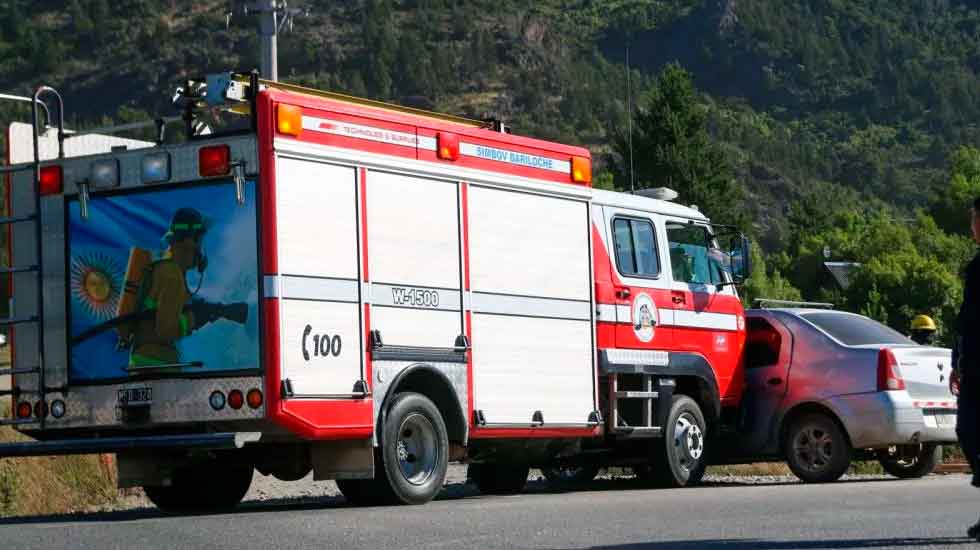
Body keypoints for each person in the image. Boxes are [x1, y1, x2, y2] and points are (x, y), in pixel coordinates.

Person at [128, 208, 210, 368]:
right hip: (157, 366)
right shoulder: (172, 275)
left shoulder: (165, 267)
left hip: (147, 362)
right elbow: (166, 329)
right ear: (189, 241)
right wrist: (194, 318)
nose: (200, 250)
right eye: (199, 241)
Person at [955, 197, 980, 539]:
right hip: (975, 365)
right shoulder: (976, 266)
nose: (972, 225)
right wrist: (957, 362)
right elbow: (965, 322)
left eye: (975, 218)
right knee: (967, 429)